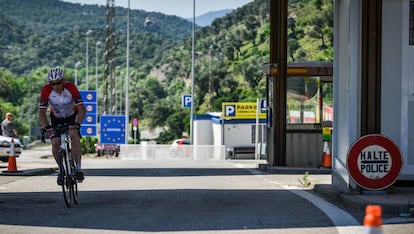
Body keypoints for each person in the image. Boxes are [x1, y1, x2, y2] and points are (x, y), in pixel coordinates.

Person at [39, 67, 86, 185]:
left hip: (72, 116)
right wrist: (46, 127)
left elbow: (81, 110)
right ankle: (61, 169)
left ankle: (78, 168)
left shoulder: (71, 88)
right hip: (56, 118)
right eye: (52, 84)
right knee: (55, 142)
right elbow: (42, 113)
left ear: (63, 80)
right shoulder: (46, 90)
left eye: (58, 83)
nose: (56, 86)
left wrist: (77, 124)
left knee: (74, 134)